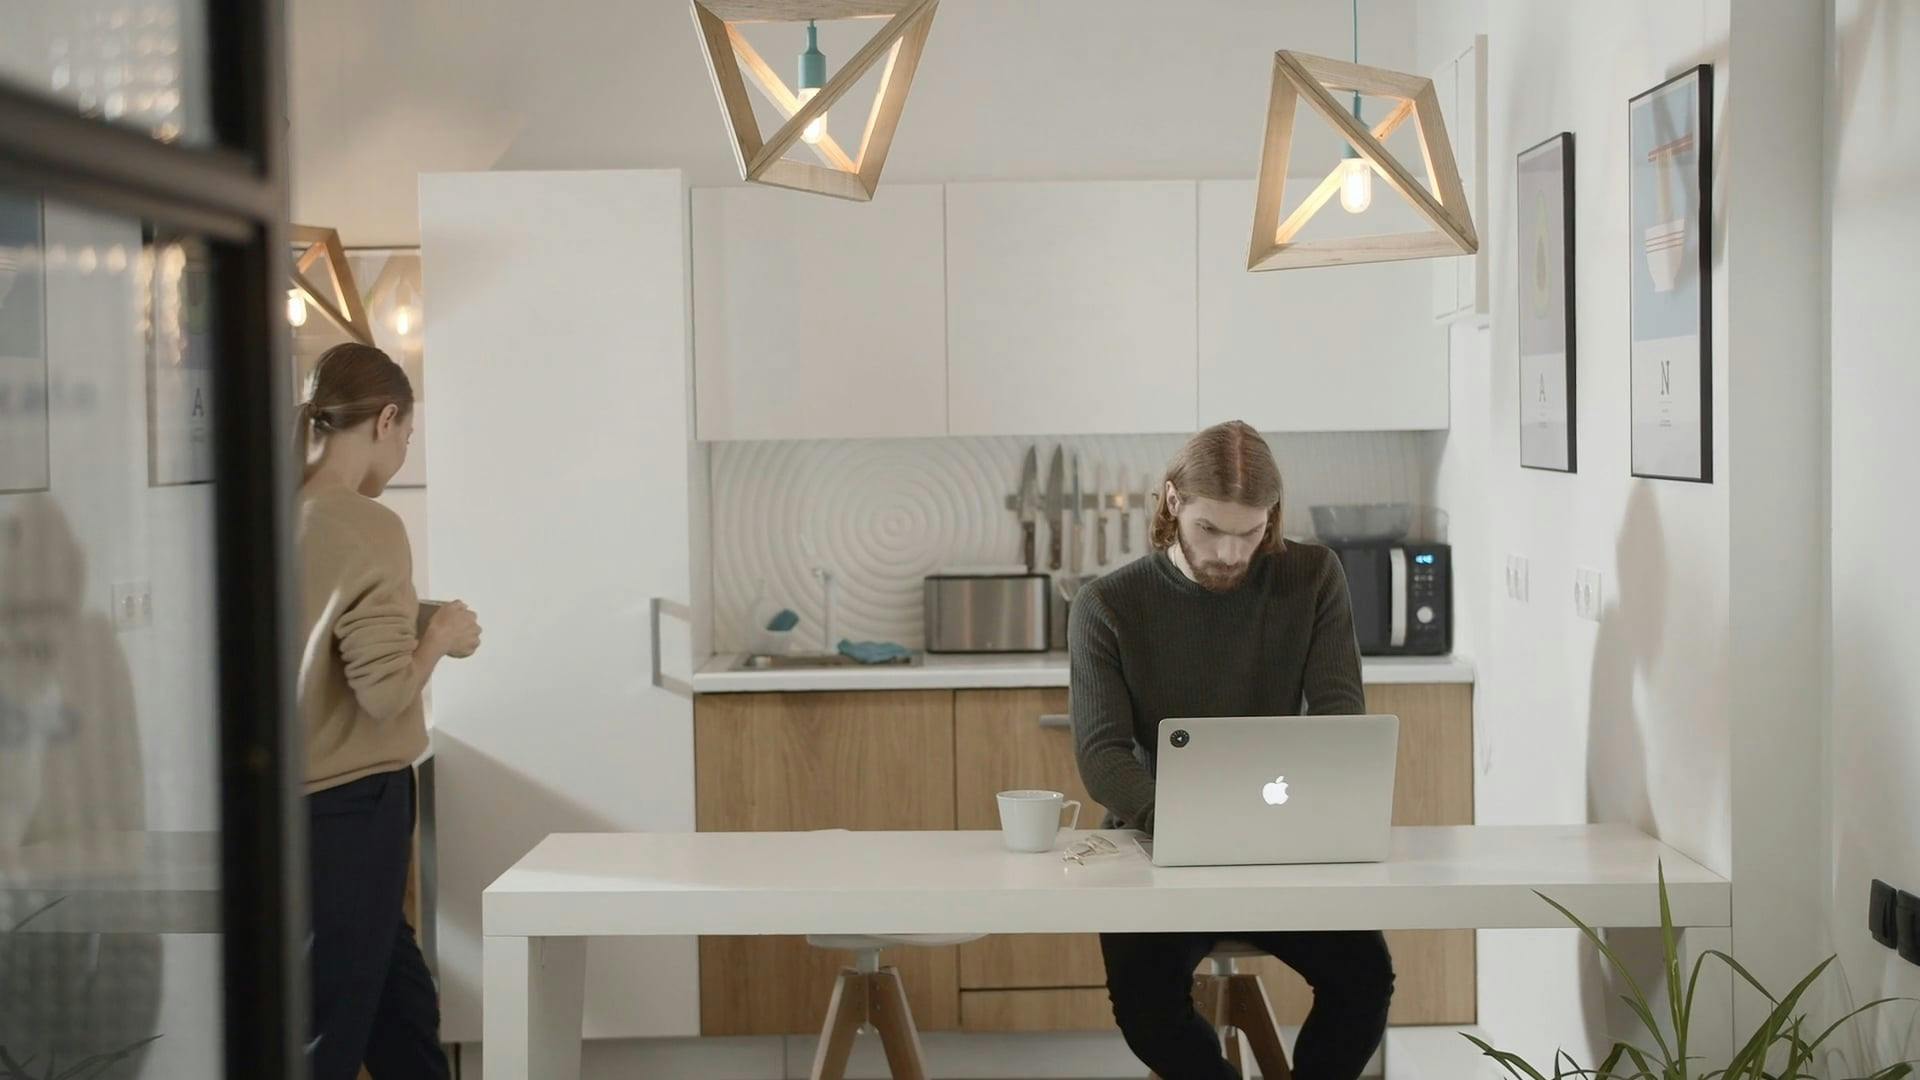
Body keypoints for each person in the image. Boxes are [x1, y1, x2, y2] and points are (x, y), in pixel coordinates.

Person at [1069, 420, 1393, 1080]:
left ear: (1271, 518)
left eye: (1249, 533)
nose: (1228, 552)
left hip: (1283, 842)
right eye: (1210, 529)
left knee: (1365, 982)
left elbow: (1339, 716)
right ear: (1172, 503)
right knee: (1147, 1006)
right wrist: (1189, 829)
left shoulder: (1312, 576)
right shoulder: (1107, 603)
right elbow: (1103, 756)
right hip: (1159, 845)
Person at [296, 342, 479, 1080]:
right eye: (407, 435)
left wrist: (413, 615)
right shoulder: (370, 525)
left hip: (293, 807)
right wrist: (438, 638)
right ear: (387, 418)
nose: (404, 451)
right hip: (353, 804)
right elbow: (383, 695)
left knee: (399, 1008)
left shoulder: (279, 509)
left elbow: (321, 639)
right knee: (333, 1031)